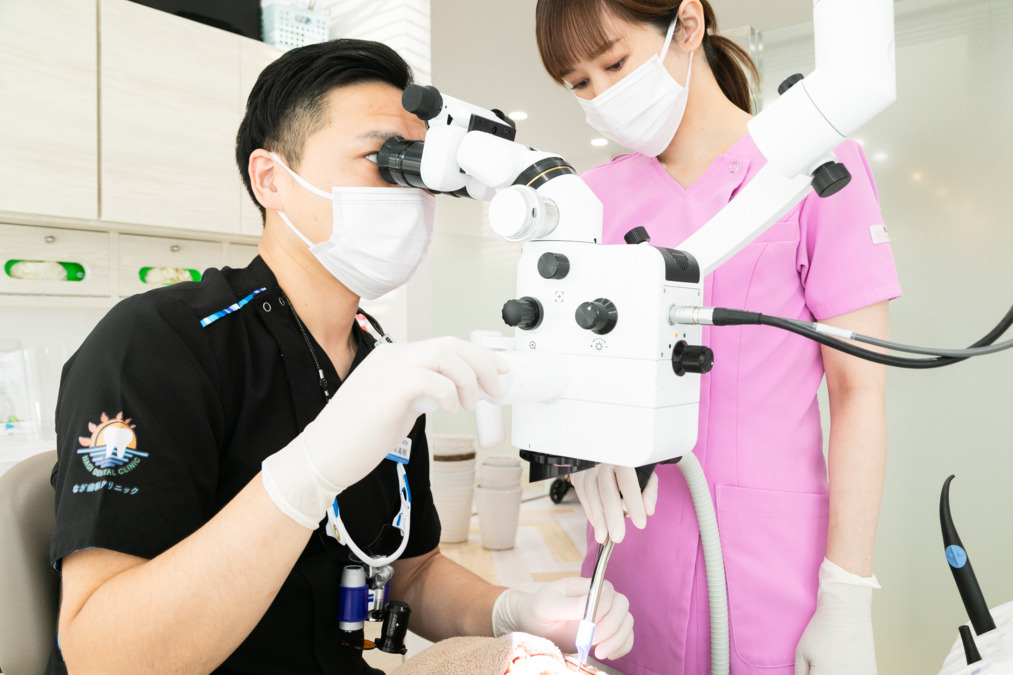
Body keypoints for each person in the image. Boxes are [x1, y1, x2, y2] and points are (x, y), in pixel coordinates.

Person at [47, 39, 634, 674]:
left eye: (419, 169)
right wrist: (307, 473)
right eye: (381, 158)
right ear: (271, 178)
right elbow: (102, 657)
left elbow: (409, 577)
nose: (409, 190)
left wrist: (512, 610)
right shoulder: (157, 342)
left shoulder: (377, 359)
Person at [534, 1, 901, 674]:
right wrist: (573, 447)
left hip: (768, 561)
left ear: (689, 24)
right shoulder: (590, 199)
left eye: (613, 62)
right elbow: (561, 373)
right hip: (624, 561)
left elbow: (859, 391)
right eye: (578, 83)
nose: (602, 95)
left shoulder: (812, 168)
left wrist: (846, 592)